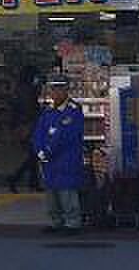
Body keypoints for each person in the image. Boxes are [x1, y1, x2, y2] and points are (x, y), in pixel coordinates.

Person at [33, 74, 84, 234]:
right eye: (53, 89)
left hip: (66, 158)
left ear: (66, 90)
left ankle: (72, 223)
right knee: (51, 192)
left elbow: (65, 135)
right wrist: (39, 150)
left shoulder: (73, 111)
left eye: (59, 89)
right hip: (49, 160)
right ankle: (56, 221)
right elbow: (38, 132)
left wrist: (47, 150)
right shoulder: (48, 111)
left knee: (67, 191)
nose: (55, 92)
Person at [7, 65, 42, 192]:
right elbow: (30, 109)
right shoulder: (28, 90)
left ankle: (33, 183)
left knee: (33, 155)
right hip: (28, 126)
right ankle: (15, 178)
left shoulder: (19, 89)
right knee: (34, 155)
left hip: (21, 126)